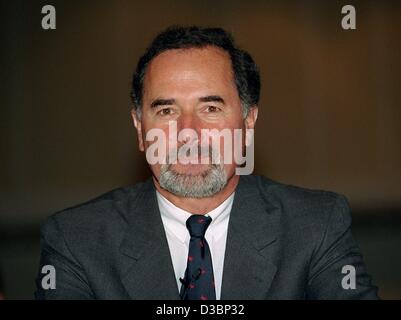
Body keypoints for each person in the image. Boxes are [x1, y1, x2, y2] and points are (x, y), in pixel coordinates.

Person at [35, 26, 378, 300]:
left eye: (210, 108)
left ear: (247, 123)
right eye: (166, 111)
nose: (188, 133)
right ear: (140, 130)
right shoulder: (77, 240)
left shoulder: (315, 226)